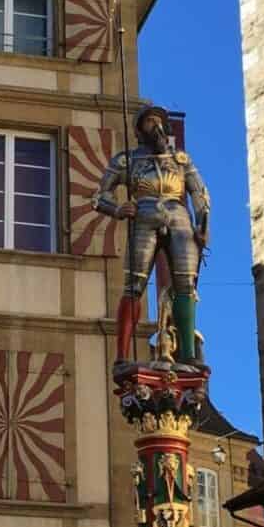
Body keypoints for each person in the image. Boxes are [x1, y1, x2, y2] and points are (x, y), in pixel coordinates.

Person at [93, 105, 210, 368]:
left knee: (185, 286)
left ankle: (188, 353)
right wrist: (118, 208)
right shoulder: (128, 160)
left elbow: (200, 193)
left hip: (179, 217)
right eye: (149, 122)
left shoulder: (181, 161)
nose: (155, 126)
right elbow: (99, 196)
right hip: (144, 213)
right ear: (139, 130)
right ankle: (122, 355)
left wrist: (203, 223)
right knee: (134, 285)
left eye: (158, 121)